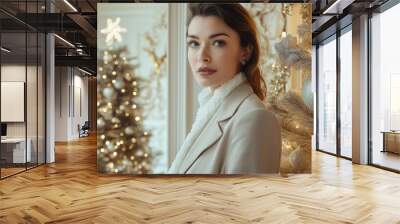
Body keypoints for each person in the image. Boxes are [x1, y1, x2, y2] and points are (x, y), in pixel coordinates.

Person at [168, 3, 281, 174]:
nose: (202, 56)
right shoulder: (209, 111)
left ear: (245, 51)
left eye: (218, 42)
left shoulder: (254, 118)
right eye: (194, 43)